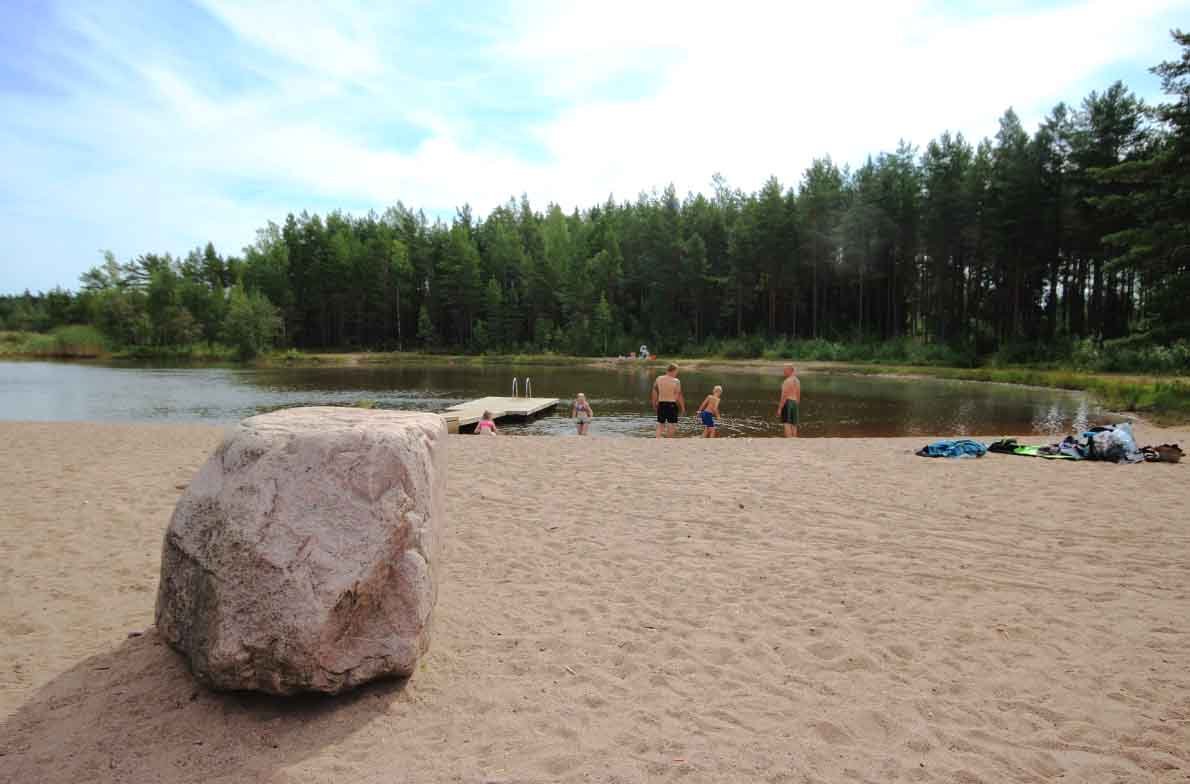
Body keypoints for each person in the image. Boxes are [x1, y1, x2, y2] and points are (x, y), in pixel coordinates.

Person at [651, 363, 685, 438]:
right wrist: (683, 408)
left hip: (661, 403)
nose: (677, 373)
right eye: (676, 371)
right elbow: (679, 395)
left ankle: (657, 439)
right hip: (671, 404)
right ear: (673, 371)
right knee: (671, 424)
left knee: (660, 424)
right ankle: (669, 440)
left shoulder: (658, 378)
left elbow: (654, 391)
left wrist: (654, 403)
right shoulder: (676, 381)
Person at [777, 363, 801, 437]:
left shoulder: (787, 381)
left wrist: (780, 408)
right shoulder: (797, 380)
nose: (783, 371)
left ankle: (789, 439)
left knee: (787, 423)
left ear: (790, 370)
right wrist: (797, 403)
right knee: (794, 423)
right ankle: (794, 438)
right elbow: (798, 393)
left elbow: (784, 395)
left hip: (787, 402)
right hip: (795, 402)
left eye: (785, 370)